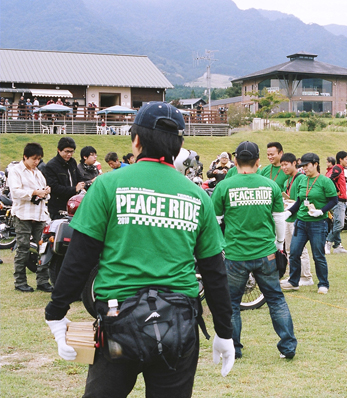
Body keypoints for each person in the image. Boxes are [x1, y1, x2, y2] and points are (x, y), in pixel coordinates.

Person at [45, 101, 235, 396]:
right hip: (179, 325)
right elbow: (214, 270)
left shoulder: (108, 185)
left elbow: (80, 256)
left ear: (136, 140)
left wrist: (56, 311)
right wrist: (225, 331)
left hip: (117, 321)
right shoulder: (197, 196)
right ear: (179, 145)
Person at [212, 140, 297, 360]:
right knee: (276, 299)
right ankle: (288, 347)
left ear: (236, 161)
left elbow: (216, 221)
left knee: (231, 303)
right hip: (266, 252)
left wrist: (222, 245)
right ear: (258, 161)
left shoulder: (224, 186)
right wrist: (279, 245)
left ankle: (234, 349)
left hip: (235, 254)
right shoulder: (270, 185)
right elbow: (279, 220)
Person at [281, 153, 338, 294]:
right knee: (294, 252)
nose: (304, 169)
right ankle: (294, 281)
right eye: (302, 166)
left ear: (315, 164)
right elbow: (300, 201)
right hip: (301, 221)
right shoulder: (302, 180)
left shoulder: (325, 181)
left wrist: (321, 211)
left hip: (318, 223)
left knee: (318, 254)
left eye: (307, 165)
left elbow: (333, 200)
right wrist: (289, 211)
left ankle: (323, 283)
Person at [7, 142, 53, 293]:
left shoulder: (38, 172)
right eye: (34, 158)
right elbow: (15, 192)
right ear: (25, 157)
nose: (36, 162)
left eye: (39, 159)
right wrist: (35, 192)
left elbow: (44, 195)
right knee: (23, 248)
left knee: (44, 248)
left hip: (40, 215)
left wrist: (45, 191)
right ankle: (20, 281)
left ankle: (43, 281)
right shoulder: (15, 171)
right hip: (22, 215)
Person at [280, 153, 313, 286]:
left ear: (294, 163)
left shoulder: (301, 178)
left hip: (297, 217)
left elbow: (301, 199)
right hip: (287, 218)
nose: (283, 167)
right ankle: (293, 275)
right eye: (281, 165)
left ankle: (306, 276)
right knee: (289, 249)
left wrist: (291, 208)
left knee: (300, 249)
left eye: (286, 164)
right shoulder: (286, 181)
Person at [43, 137, 85, 219]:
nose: (69, 154)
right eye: (66, 151)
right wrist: (74, 189)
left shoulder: (72, 162)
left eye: (72, 151)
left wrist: (83, 186)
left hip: (74, 206)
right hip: (58, 208)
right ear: (59, 150)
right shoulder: (51, 166)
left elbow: (79, 178)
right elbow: (54, 187)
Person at [325, 151, 347, 254]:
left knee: (337, 222)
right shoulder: (338, 168)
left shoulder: (340, 169)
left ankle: (338, 245)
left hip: (341, 199)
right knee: (340, 224)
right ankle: (328, 242)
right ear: (341, 159)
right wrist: (336, 191)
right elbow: (330, 180)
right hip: (338, 200)